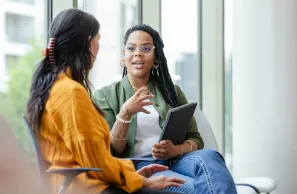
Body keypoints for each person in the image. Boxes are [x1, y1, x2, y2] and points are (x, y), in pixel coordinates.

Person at [26, 9, 184, 194]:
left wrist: (132, 174)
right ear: (88, 43)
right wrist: (142, 182)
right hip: (85, 187)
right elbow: (95, 163)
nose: (99, 47)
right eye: (98, 40)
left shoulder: (55, 86)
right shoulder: (71, 93)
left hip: (79, 182)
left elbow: (94, 159)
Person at [94, 24, 238, 194]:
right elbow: (111, 150)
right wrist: (126, 113)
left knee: (211, 156)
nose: (138, 53)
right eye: (131, 48)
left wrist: (174, 150)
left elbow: (196, 139)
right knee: (200, 189)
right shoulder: (105, 95)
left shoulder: (172, 91)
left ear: (156, 58)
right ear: (124, 55)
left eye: (146, 48)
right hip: (142, 166)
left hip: (178, 160)